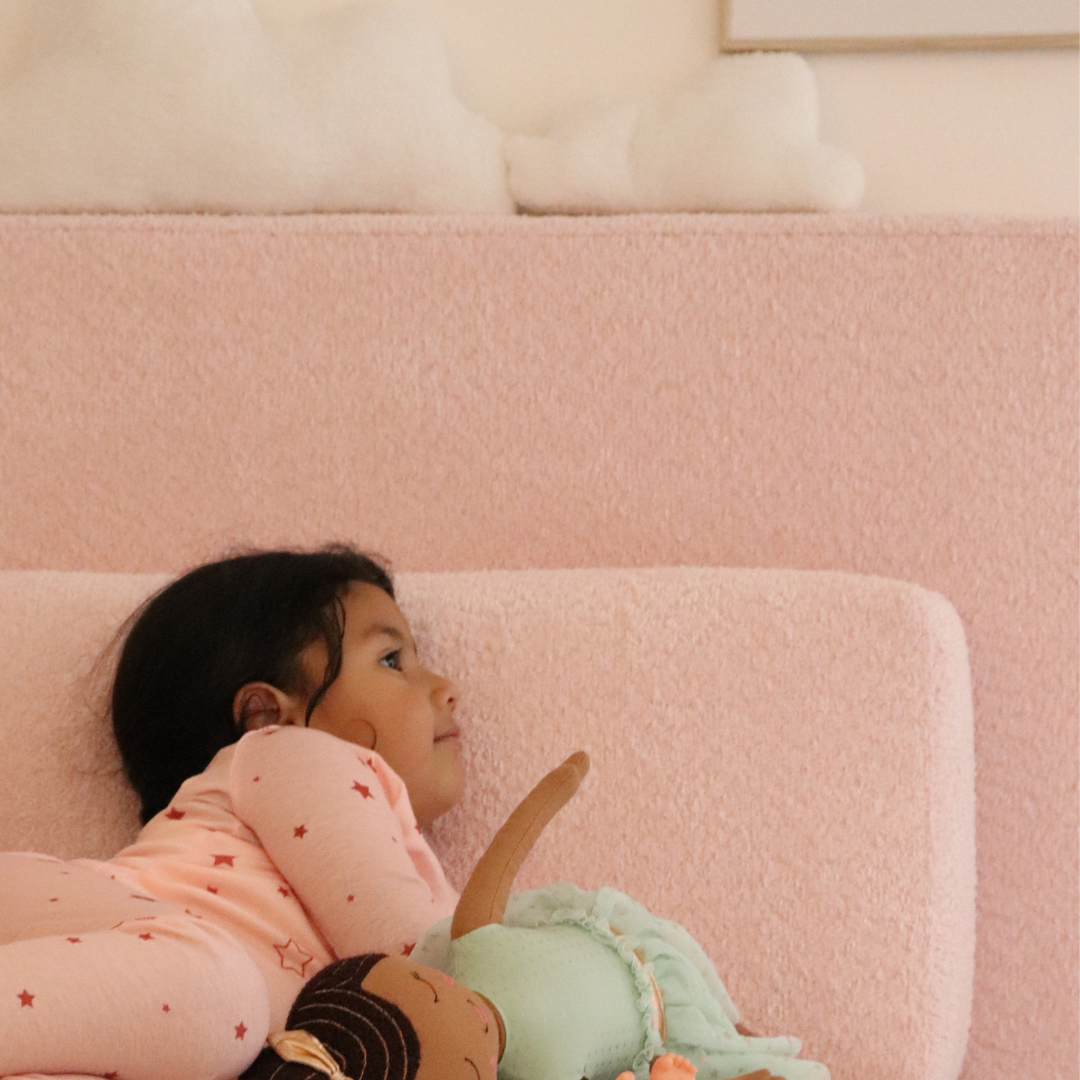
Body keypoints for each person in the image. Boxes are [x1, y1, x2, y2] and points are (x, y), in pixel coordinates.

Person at [0, 546, 469, 1080]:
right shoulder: (296, 753)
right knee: (218, 989)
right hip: (70, 918)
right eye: (392, 660)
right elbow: (428, 967)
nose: (446, 688)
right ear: (266, 714)